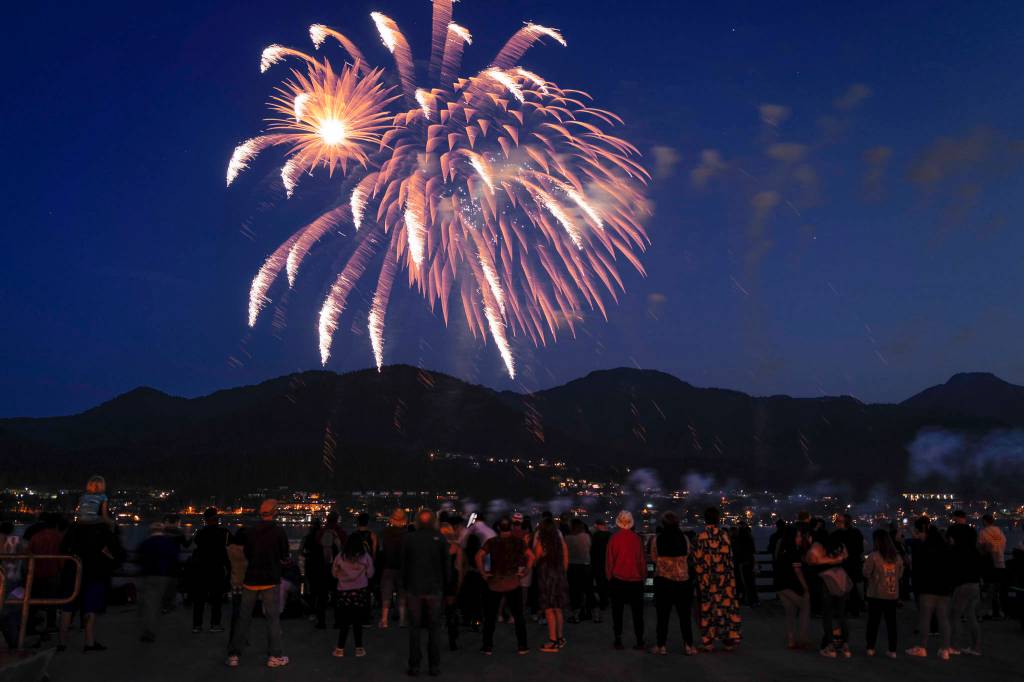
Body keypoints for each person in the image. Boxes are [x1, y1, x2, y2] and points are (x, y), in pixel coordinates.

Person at [226, 499, 290, 669]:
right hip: (270, 580)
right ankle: (275, 656)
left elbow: (247, 553)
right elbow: (285, 555)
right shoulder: (279, 532)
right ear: (274, 512)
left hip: (251, 579)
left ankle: (234, 655)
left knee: (243, 618)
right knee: (272, 619)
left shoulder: (251, 532)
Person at [57, 517, 121, 652]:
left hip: (72, 572)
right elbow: (115, 552)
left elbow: (63, 549)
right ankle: (89, 642)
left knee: (67, 607)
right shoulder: (103, 530)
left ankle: (62, 643)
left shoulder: (74, 528)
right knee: (90, 609)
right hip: (95, 573)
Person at [402, 509, 451, 676]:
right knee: (434, 629)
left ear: (417, 521)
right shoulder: (441, 539)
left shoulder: (409, 539)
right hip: (434, 590)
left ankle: (415, 665)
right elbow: (447, 567)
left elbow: (404, 565)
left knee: (414, 629)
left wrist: (404, 586)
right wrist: (448, 589)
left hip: (414, 589)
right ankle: (434, 666)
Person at [476, 516, 533, 655]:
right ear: (511, 527)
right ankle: (522, 646)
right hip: (513, 582)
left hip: (495, 583)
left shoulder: (492, 542)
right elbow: (531, 556)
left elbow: (478, 556)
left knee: (490, 617)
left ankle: (487, 646)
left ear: (499, 528)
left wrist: (483, 573)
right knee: (518, 616)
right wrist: (525, 571)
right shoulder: (518, 542)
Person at [693, 507, 742, 652]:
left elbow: (697, 560)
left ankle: (708, 641)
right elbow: (730, 558)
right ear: (718, 519)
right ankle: (729, 640)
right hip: (725, 579)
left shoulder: (700, 537)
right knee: (726, 608)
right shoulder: (724, 536)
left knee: (708, 609)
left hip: (707, 580)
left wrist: (701, 577)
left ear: (705, 519)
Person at [905, 518, 953, 660]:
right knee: (943, 619)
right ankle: (944, 650)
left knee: (925, 618)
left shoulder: (923, 547)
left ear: (921, 531)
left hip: (928, 587)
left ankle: (921, 647)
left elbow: (918, 568)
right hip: (944, 587)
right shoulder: (945, 545)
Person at [650, 512, 696, 655]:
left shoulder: (657, 539)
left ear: (663, 524)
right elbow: (688, 554)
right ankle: (688, 646)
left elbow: (654, 558)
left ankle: (661, 646)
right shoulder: (684, 538)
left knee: (662, 615)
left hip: (663, 580)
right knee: (684, 616)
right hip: (682, 581)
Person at [805, 523, 850, 658]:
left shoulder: (818, 546)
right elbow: (845, 557)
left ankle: (829, 645)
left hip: (827, 581)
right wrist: (837, 560)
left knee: (828, 615)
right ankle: (845, 645)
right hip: (841, 580)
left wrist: (828, 560)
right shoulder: (841, 546)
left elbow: (811, 560)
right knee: (841, 615)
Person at [605, 510, 645, 651]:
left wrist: (610, 578)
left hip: (618, 580)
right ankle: (639, 641)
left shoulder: (614, 539)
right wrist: (643, 577)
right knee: (637, 613)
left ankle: (618, 640)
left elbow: (609, 562)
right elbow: (641, 561)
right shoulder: (637, 539)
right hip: (636, 581)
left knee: (617, 612)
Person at [331, 533, 374, 658]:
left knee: (344, 620)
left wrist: (342, 575)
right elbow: (370, 574)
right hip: (360, 591)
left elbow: (334, 573)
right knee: (357, 621)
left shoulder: (340, 557)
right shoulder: (365, 557)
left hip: (344, 591)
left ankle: (340, 649)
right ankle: (359, 649)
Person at [137, 522, 180, 643]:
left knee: (150, 603)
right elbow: (174, 558)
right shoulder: (169, 543)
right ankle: (153, 624)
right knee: (158, 602)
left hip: (149, 575)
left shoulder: (145, 543)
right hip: (164, 576)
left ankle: (149, 630)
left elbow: (139, 559)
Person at [863, 529, 903, 658]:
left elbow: (866, 573)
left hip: (876, 594)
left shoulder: (874, 556)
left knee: (873, 622)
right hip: (892, 594)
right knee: (891, 623)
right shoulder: (897, 557)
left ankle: (870, 648)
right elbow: (900, 574)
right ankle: (892, 650)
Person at [190, 507, 230, 633]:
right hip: (217, 568)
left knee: (199, 599)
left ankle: (197, 625)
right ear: (216, 519)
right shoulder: (224, 533)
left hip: (201, 568)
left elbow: (195, 544)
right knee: (216, 599)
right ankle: (215, 624)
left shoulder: (199, 533)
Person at [947, 511, 982, 655]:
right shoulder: (973, 547)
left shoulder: (955, 547)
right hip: (975, 583)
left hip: (962, 584)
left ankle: (955, 647)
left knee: (955, 615)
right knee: (971, 615)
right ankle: (975, 648)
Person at [534, 517, 570, 652]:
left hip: (546, 578)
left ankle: (553, 641)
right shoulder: (561, 542)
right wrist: (560, 573)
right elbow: (566, 561)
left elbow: (536, 561)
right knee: (558, 609)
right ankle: (560, 638)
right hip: (559, 577)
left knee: (549, 610)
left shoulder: (541, 543)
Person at [774, 525, 811, 650]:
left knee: (790, 613)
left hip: (780, 586)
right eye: (799, 536)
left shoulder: (781, 550)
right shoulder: (794, 551)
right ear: (793, 537)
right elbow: (798, 571)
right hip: (791, 586)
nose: (800, 538)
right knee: (805, 607)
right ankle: (802, 639)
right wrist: (806, 587)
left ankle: (791, 640)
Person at [379, 508, 408, 628]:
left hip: (388, 566)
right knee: (402, 594)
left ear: (391, 519)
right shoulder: (408, 534)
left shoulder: (385, 532)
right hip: (403, 567)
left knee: (386, 594)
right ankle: (402, 620)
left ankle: (384, 620)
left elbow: (381, 549)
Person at [832, 514, 865, 616]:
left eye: (838, 521)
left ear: (843, 522)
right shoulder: (856, 533)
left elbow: (832, 549)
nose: (835, 522)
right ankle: (854, 610)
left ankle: (845, 610)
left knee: (843, 588)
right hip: (853, 564)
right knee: (852, 587)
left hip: (844, 565)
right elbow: (861, 549)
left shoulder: (836, 535)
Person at [439, 522, 465, 651]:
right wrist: (459, 585)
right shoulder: (456, 547)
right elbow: (459, 569)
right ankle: (452, 639)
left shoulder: (435, 546)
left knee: (437, 612)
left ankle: (435, 639)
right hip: (451, 581)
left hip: (438, 582)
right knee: (451, 612)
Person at [301, 519, 330, 629]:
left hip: (311, 565)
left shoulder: (307, 537)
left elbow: (301, 551)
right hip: (322, 566)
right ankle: (321, 614)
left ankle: (312, 612)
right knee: (322, 592)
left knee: (312, 590)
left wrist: (307, 555)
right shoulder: (324, 536)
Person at [977, 514, 1007, 619]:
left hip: (989, 564)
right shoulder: (1000, 533)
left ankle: (989, 611)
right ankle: (999, 611)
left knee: (988, 588)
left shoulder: (983, 532)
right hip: (1001, 563)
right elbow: (1003, 545)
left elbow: (980, 549)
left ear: (985, 521)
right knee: (997, 589)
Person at [565, 519, 592, 623]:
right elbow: (589, 548)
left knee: (574, 591)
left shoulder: (567, 538)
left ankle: (576, 614)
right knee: (587, 590)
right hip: (586, 566)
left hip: (573, 567)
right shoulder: (586, 536)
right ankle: (587, 612)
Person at [590, 518, 611, 624]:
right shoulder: (610, 535)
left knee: (599, 583)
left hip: (597, 563)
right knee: (606, 582)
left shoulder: (595, 536)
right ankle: (605, 601)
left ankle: (602, 602)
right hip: (607, 563)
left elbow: (592, 551)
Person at [733, 522, 759, 607]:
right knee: (751, 582)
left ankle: (746, 599)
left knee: (743, 583)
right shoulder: (749, 539)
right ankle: (753, 600)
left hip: (741, 564)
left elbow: (736, 552)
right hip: (749, 562)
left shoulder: (738, 540)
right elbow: (753, 552)